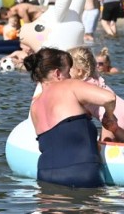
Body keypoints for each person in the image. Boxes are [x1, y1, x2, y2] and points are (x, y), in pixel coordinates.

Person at [25, 47, 117, 188]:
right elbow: (109, 98)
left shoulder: (35, 106)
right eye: (68, 72)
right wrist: (109, 116)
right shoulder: (69, 85)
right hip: (80, 173)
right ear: (57, 73)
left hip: (45, 175)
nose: (70, 77)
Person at [68, 46, 124, 140]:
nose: (65, 70)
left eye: (68, 67)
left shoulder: (79, 86)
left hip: (112, 118)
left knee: (104, 147)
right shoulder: (96, 78)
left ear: (79, 72)